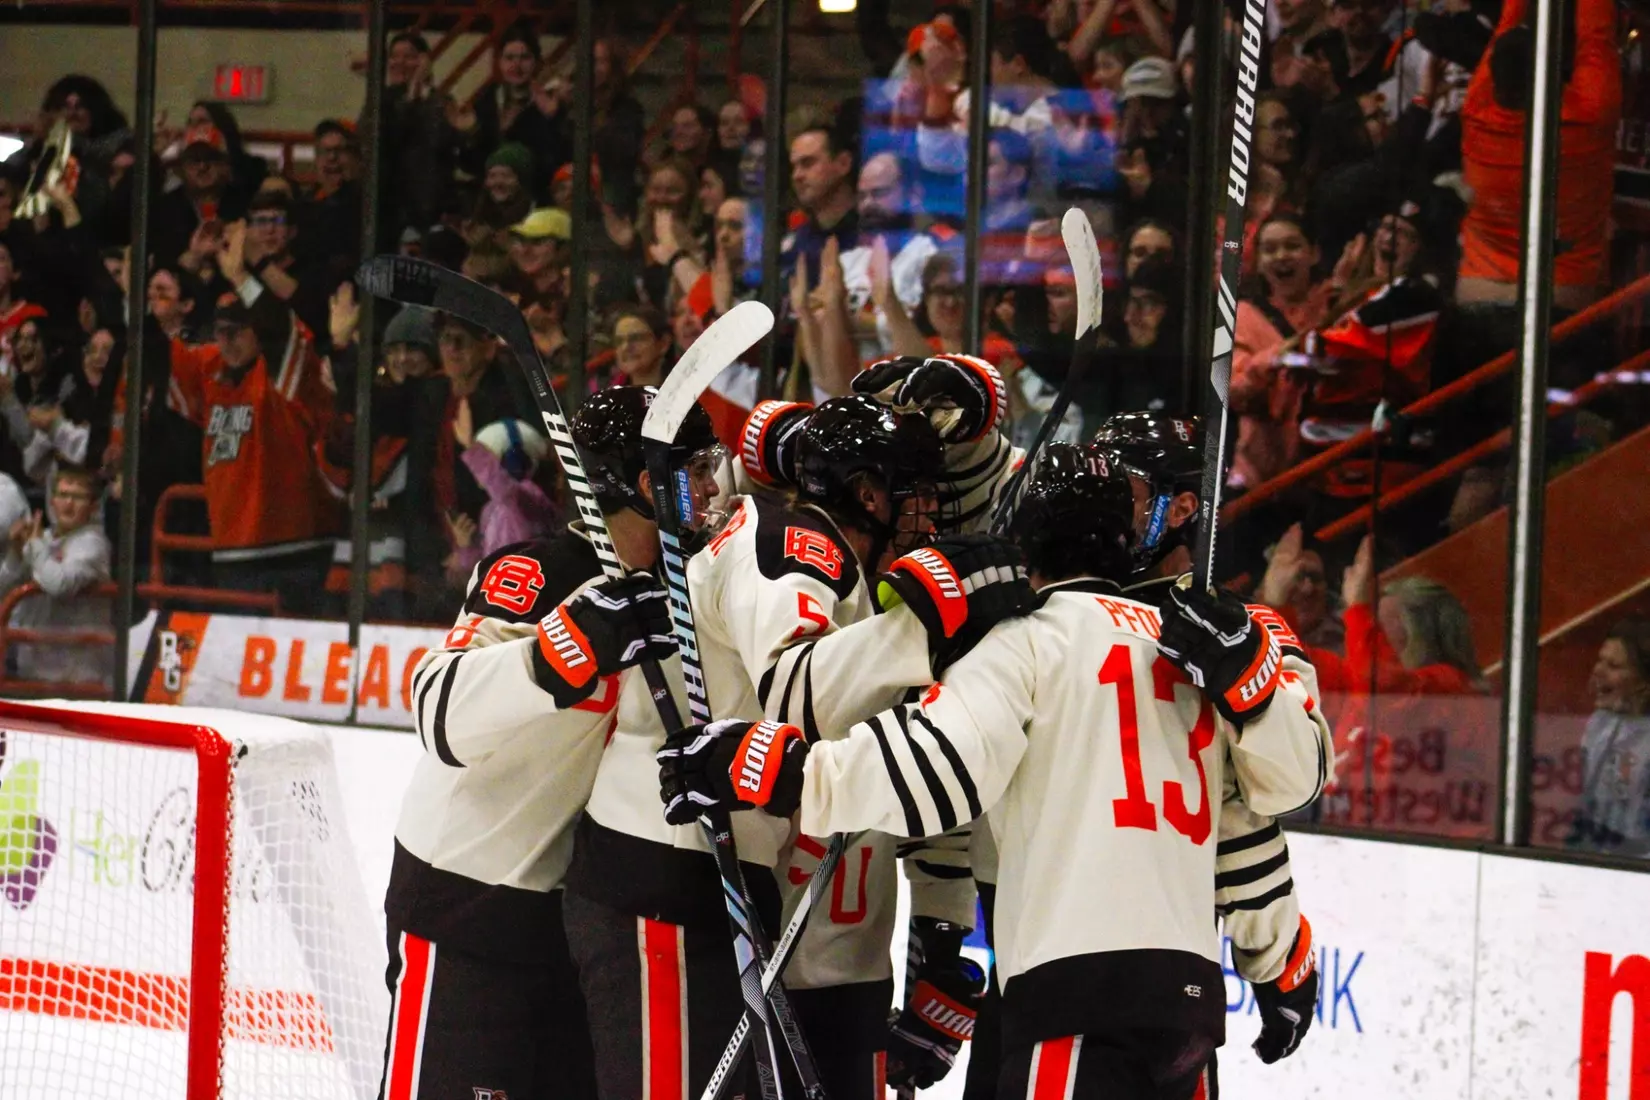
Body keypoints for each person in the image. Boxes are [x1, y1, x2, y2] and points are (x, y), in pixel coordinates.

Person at [661, 441, 1333, 1100]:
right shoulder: (1189, 651)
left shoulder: (1025, 639)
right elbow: (1254, 818)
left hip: (1071, 996)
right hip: (1186, 1005)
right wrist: (1274, 956)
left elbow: (936, 767)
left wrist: (785, 773)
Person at [570, 386, 1031, 1100]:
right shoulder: (791, 542)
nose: (926, 512)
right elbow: (798, 690)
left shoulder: (864, 582)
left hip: (805, 938)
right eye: (907, 493)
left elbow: (920, 773)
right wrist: (927, 628)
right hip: (680, 883)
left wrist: (938, 942)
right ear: (865, 495)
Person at [383, 388, 718, 1100]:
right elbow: (438, 711)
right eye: (695, 472)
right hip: (467, 910)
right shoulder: (537, 573)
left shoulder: (685, 594)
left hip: (575, 932)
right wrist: (564, 648)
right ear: (640, 487)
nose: (713, 489)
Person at [165, 222, 339, 612]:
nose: (226, 340)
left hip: (297, 549)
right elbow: (162, 345)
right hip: (233, 549)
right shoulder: (212, 371)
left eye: (238, 331)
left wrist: (242, 276)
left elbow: (280, 330)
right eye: (221, 331)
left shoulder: (281, 372)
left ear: (256, 331)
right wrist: (187, 266)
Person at [0, 464, 111, 688]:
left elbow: (59, 583)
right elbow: (4, 587)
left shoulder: (93, 544)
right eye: (63, 495)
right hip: (33, 668)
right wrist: (15, 553)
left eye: (78, 497)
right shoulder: (45, 537)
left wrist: (33, 545)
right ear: (52, 501)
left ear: (93, 506)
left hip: (77, 676)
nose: (68, 504)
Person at [1567, 619, 1650, 857]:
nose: (1597, 671)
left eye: (1613, 665)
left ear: (1645, 682)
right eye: (1600, 660)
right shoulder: (1600, 723)